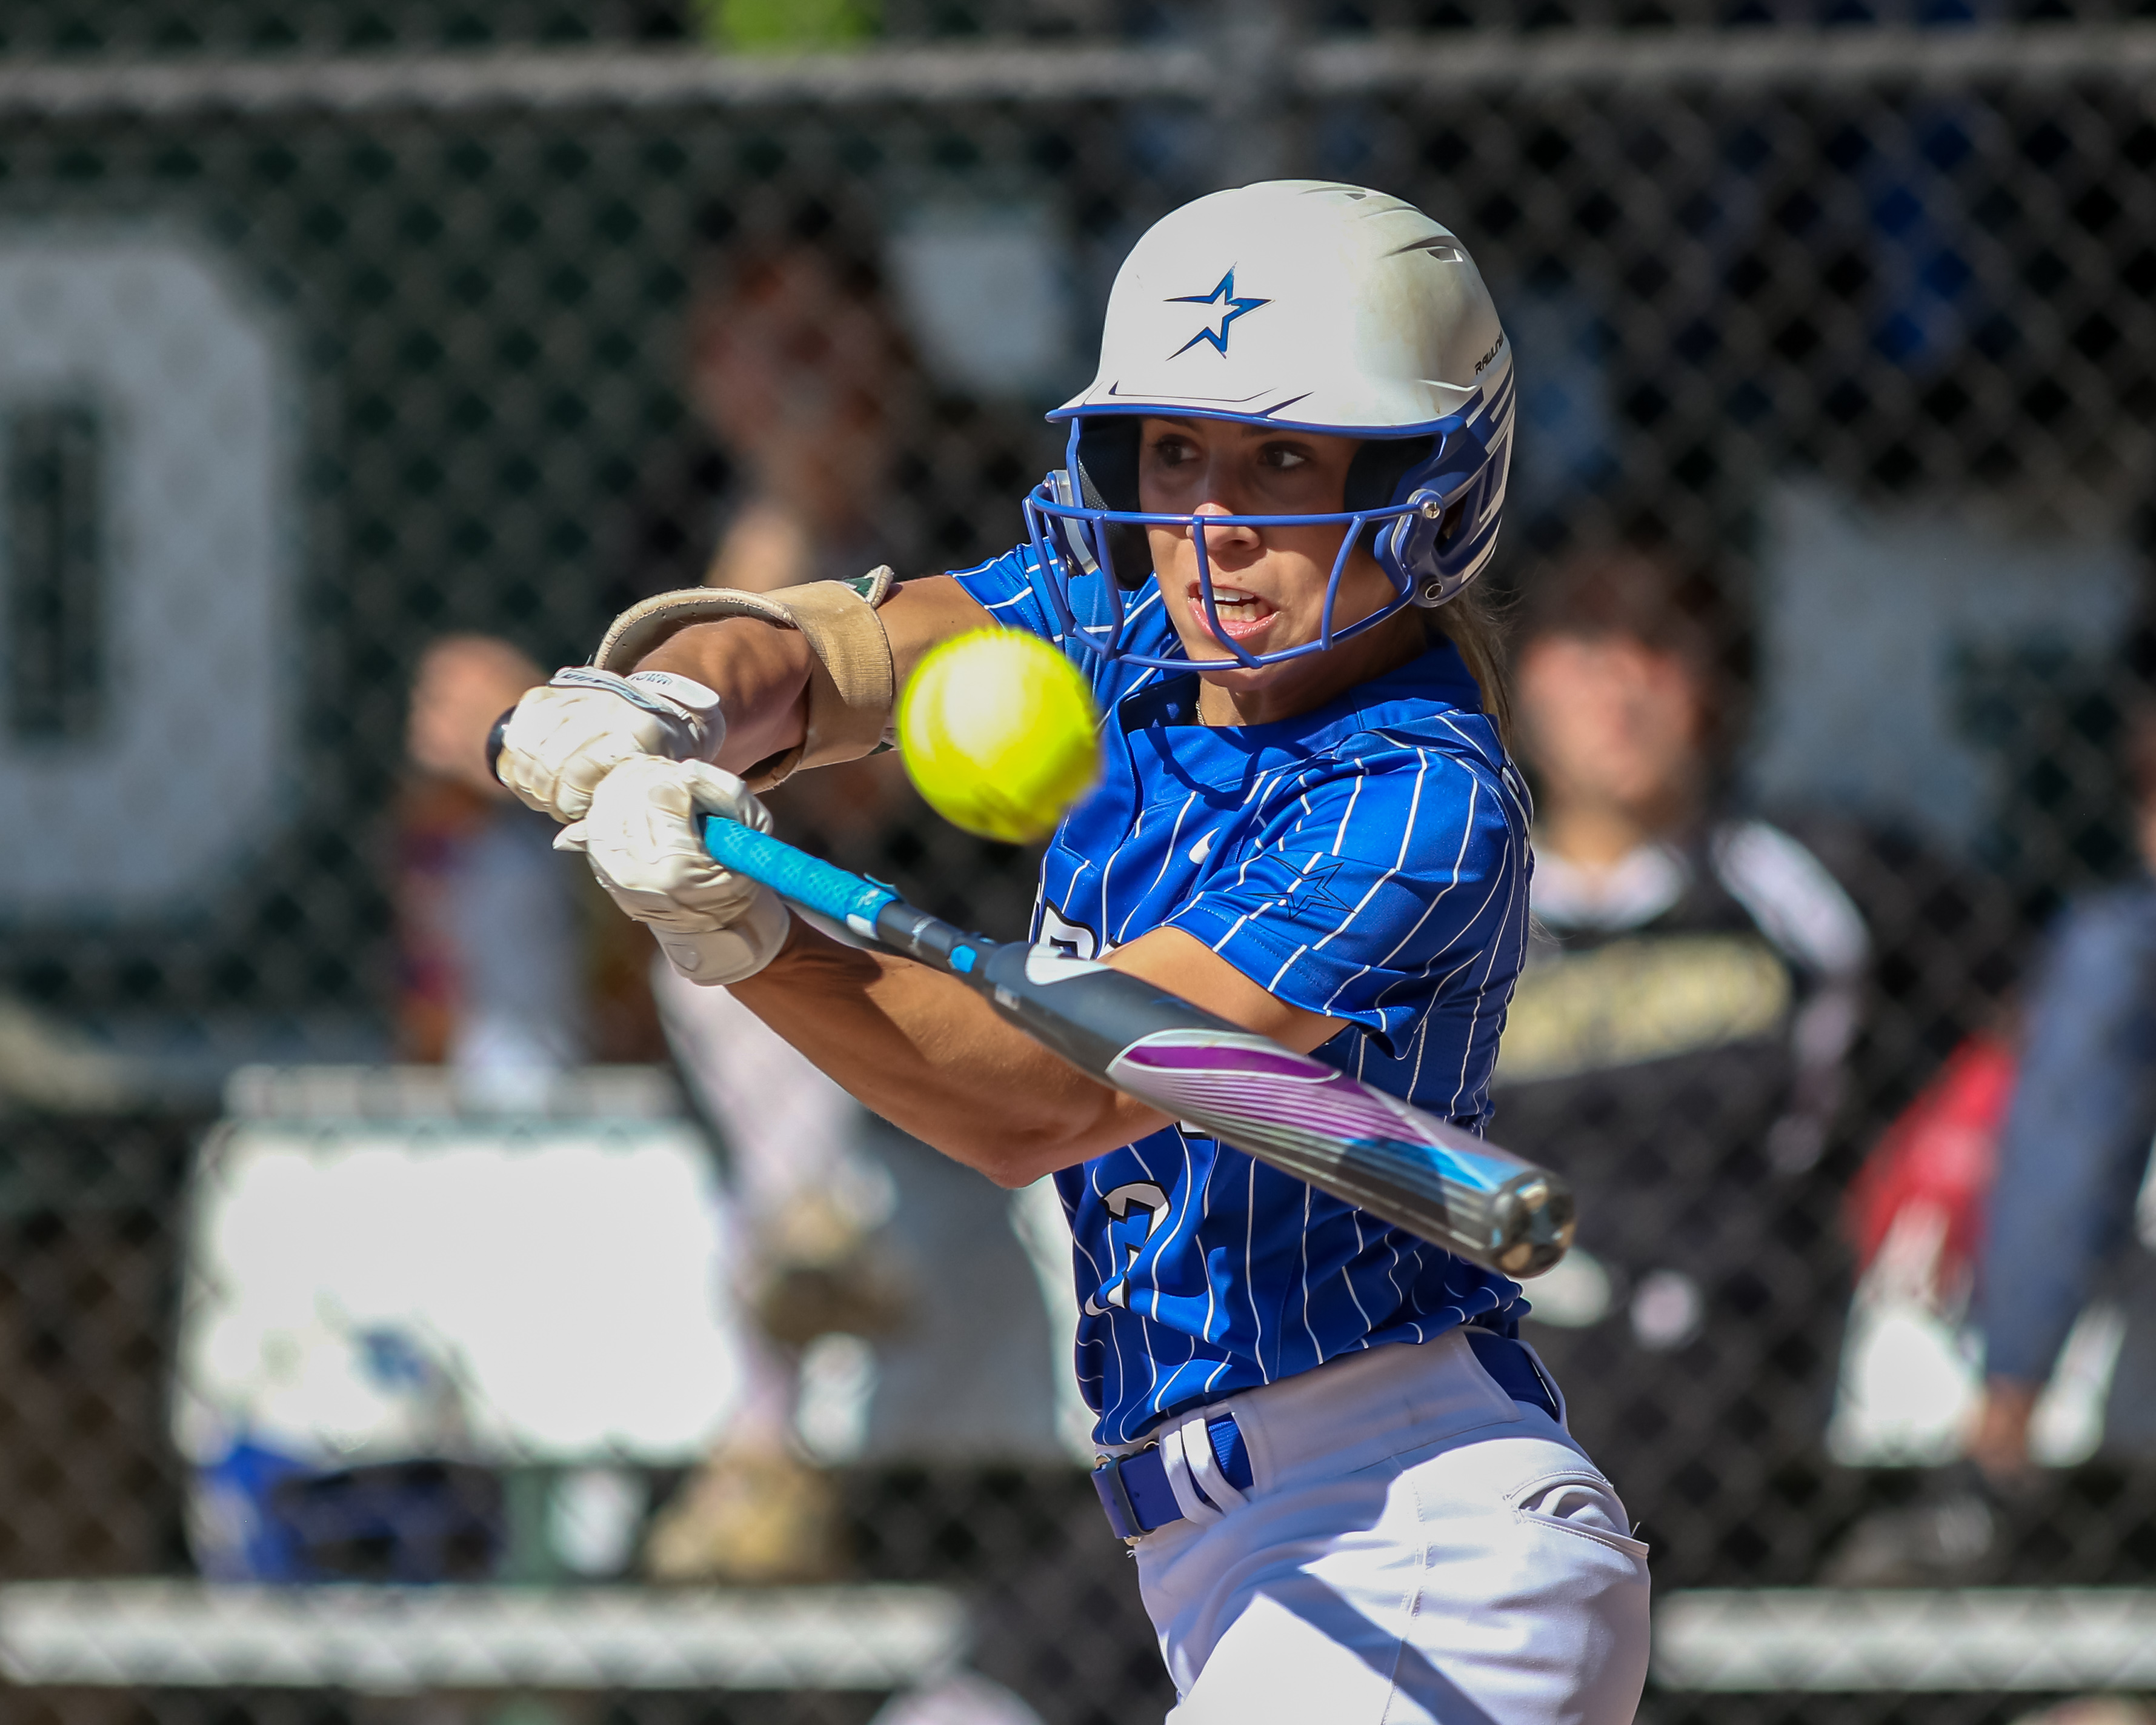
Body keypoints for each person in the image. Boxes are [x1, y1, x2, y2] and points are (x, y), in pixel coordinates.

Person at [493, 179, 1651, 1723]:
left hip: (1413, 1550)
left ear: (1427, 483)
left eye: (1282, 461)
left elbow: (1038, 1100)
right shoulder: (1121, 616)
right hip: (1227, 1564)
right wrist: (669, 712)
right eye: (1175, 456)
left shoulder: (1416, 797)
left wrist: (737, 926)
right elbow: (821, 658)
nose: (1212, 525)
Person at [1495, 549, 1869, 1571]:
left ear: (1715, 685)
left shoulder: (1810, 887)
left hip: (1717, 1349)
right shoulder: (1444, 915)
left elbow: (2002, 997)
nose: (1618, 688)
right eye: (1582, 646)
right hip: (1493, 1330)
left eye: (1656, 649)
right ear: (1518, 679)